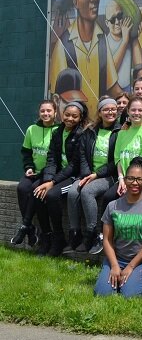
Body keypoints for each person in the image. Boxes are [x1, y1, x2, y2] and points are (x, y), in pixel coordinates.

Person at [49, 0, 122, 114]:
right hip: (76, 127)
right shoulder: (64, 46)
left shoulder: (102, 39)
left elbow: (113, 87)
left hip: (98, 129)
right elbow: (58, 98)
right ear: (75, 1)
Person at [94, 157, 142, 298]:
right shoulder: (112, 206)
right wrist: (114, 266)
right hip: (116, 258)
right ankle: (112, 273)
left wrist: (131, 266)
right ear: (125, 180)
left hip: (141, 261)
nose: (135, 183)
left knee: (130, 296)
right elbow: (107, 240)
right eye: (131, 178)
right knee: (102, 294)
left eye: (139, 179)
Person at [98, 97, 142, 254]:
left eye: (140, 110)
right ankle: (103, 236)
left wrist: (132, 182)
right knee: (109, 196)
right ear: (128, 112)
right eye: (133, 110)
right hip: (124, 179)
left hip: (139, 180)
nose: (136, 113)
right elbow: (118, 158)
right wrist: (121, 179)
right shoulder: (122, 133)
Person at [33, 101, 89, 256]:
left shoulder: (82, 134)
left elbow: (74, 165)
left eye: (74, 116)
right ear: (62, 115)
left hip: (73, 176)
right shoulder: (57, 131)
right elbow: (51, 158)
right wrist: (46, 181)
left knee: (51, 195)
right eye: (67, 115)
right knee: (38, 192)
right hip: (57, 175)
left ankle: (59, 238)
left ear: (80, 117)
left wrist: (52, 183)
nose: (70, 118)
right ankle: (47, 236)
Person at [66, 97, 122, 252]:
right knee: (72, 193)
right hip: (88, 174)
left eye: (113, 109)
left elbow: (116, 160)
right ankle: (75, 233)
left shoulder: (120, 132)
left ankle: (92, 233)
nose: (110, 112)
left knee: (87, 191)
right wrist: (86, 175)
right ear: (100, 112)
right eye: (106, 109)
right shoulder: (90, 131)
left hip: (109, 176)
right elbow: (83, 154)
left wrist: (96, 175)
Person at [11, 100, 57, 247]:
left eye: (49, 111)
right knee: (22, 188)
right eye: (43, 111)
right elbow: (26, 152)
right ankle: (30, 228)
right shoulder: (32, 129)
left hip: (49, 174)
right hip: (33, 172)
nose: (46, 113)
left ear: (55, 113)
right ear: (39, 112)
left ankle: (27, 227)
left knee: (34, 191)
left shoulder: (59, 130)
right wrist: (28, 167)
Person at [104, 0, 142, 92]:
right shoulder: (104, 43)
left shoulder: (129, 38)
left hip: (127, 90)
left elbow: (140, 68)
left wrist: (134, 37)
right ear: (107, 23)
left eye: (119, 16)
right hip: (110, 92)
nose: (117, 22)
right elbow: (110, 72)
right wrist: (124, 42)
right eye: (113, 20)